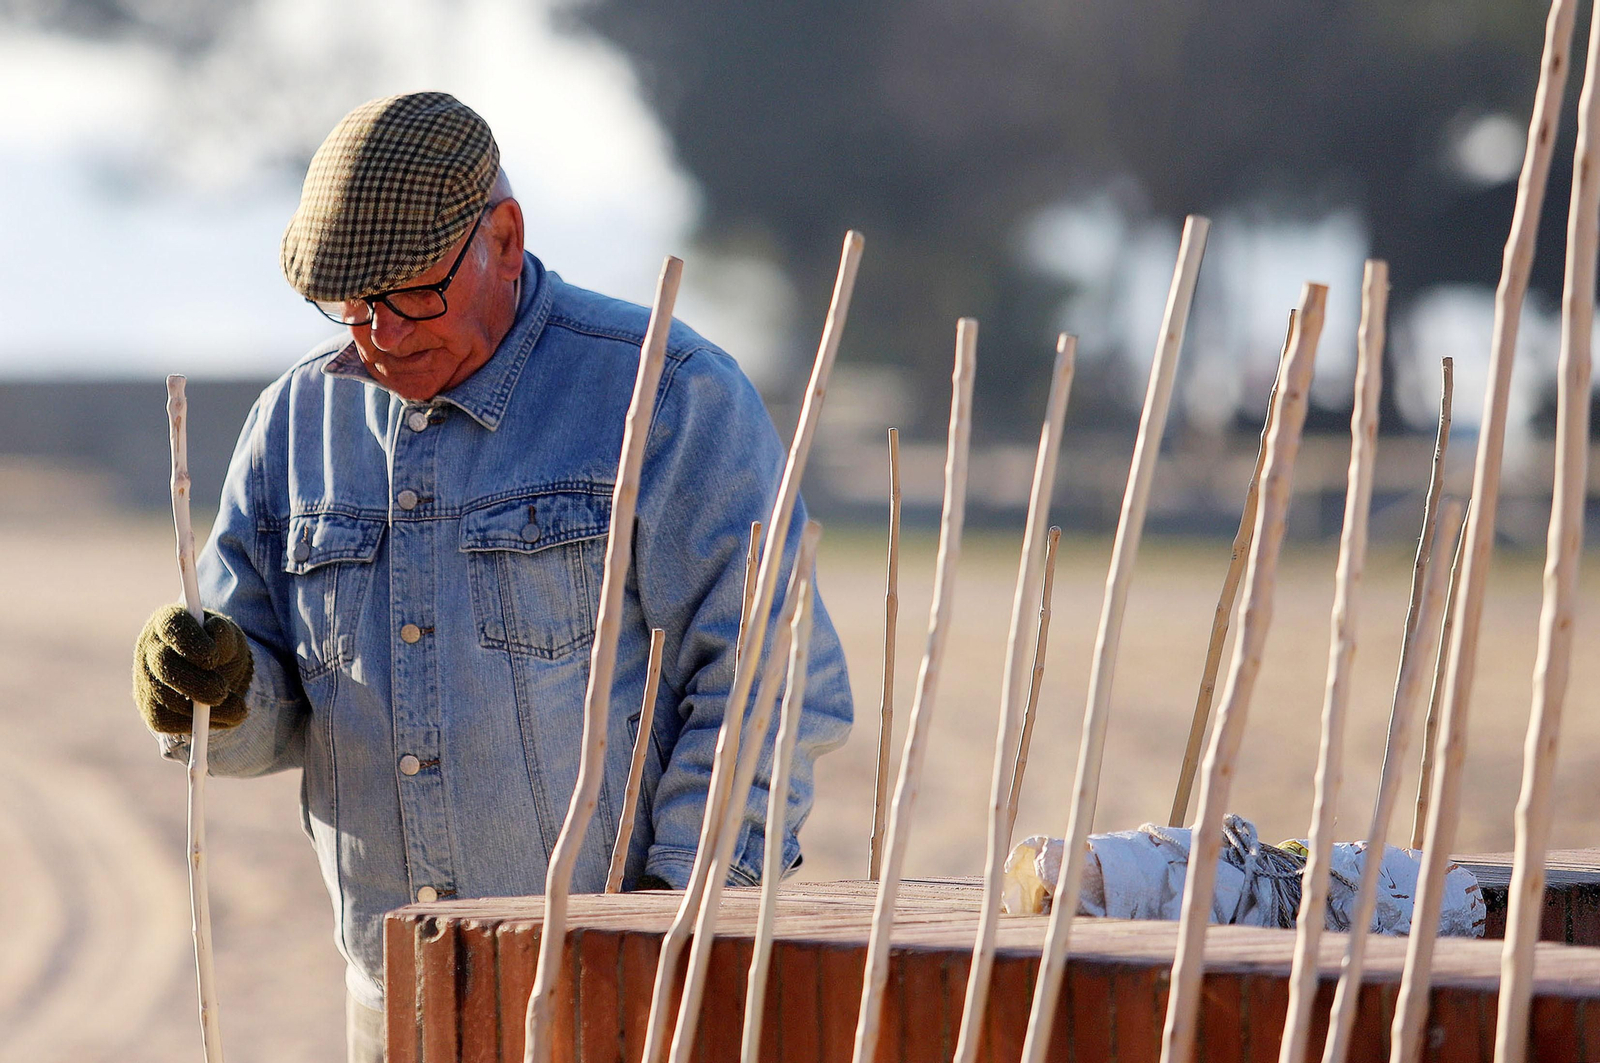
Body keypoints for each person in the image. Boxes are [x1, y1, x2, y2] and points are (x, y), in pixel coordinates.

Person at [130, 91, 852, 1062]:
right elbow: (270, 723)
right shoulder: (292, 428)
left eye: (412, 292)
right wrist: (211, 693)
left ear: (503, 238)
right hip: (394, 1004)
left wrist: (671, 923)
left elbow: (772, 679)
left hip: (628, 992)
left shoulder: (667, 392)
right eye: (351, 303)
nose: (380, 333)